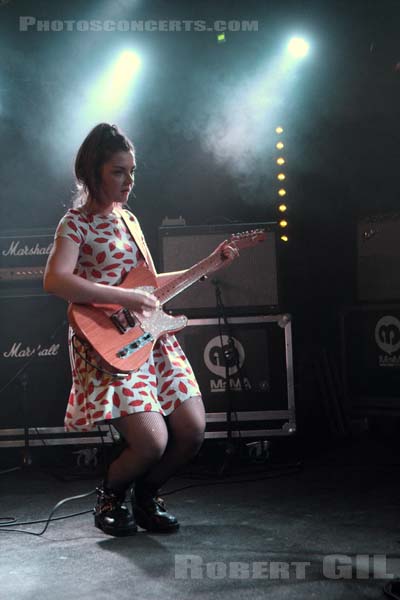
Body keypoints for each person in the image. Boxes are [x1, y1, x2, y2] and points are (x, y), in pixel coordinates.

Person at [44, 123, 238, 537]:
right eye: (119, 171)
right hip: (107, 342)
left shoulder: (130, 219)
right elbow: (56, 280)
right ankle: (111, 496)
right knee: (151, 442)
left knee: (192, 430)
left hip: (151, 336)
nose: (129, 180)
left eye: (132, 171)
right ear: (94, 172)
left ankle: (147, 495)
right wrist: (126, 299)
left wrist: (205, 266)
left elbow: (146, 287)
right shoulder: (74, 224)